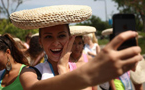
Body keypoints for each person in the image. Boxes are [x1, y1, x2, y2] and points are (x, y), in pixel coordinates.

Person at [10, 5, 142, 90]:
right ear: (40, 41)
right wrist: (86, 75)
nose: (56, 42)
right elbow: (33, 88)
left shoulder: (82, 66)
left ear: (70, 38)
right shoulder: (30, 72)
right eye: (48, 37)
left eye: (61, 36)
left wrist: (64, 68)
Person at [69, 25, 98, 90]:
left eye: (79, 43)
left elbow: (93, 80)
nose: (77, 47)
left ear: (83, 45)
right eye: (74, 43)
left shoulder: (89, 59)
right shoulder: (66, 60)